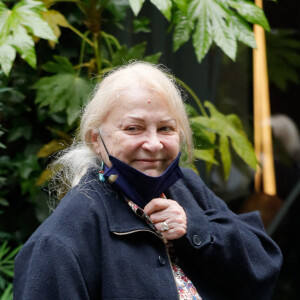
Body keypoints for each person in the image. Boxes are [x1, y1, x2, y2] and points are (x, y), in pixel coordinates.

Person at [14, 61, 282, 300]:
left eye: (166, 128)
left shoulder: (185, 187)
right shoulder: (58, 242)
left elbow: (263, 267)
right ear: (97, 140)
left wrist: (194, 228)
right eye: (133, 128)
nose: (154, 144)